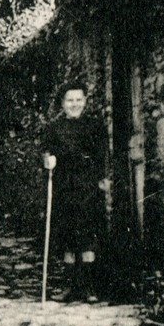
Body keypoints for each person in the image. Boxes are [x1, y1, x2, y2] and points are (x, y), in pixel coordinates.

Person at [43, 81, 109, 302]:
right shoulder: (54, 127)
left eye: (78, 100)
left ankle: (89, 288)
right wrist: (48, 160)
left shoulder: (95, 126)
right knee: (68, 238)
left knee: (88, 234)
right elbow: (46, 152)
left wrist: (103, 177)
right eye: (70, 100)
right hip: (64, 186)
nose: (74, 104)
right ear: (62, 103)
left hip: (88, 186)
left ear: (85, 101)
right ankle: (71, 287)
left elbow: (102, 156)